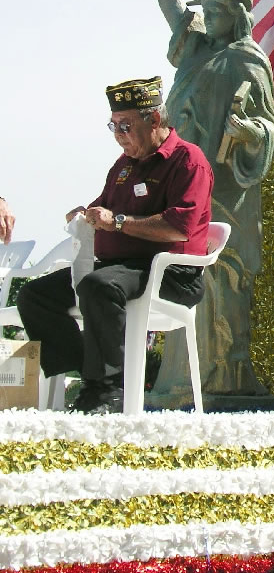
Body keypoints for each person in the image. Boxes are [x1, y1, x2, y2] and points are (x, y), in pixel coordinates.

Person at [17, 76, 213, 414]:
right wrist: (86, 214)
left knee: (97, 285)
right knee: (34, 296)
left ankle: (107, 390)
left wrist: (118, 223)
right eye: (113, 125)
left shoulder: (188, 161)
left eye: (125, 125)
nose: (118, 135)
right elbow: (104, 208)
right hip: (120, 269)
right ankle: (87, 371)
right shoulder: (124, 166)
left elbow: (179, 227)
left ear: (154, 120)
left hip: (170, 271)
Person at [143, 0, 274, 400]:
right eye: (209, 10)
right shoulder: (196, 49)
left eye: (221, 11)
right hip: (184, 183)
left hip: (226, 190)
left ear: (238, 16)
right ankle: (180, 381)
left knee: (225, 277)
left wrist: (249, 133)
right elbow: (171, 6)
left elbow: (267, 126)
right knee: (183, 270)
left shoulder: (248, 60)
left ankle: (226, 377)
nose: (211, 17)